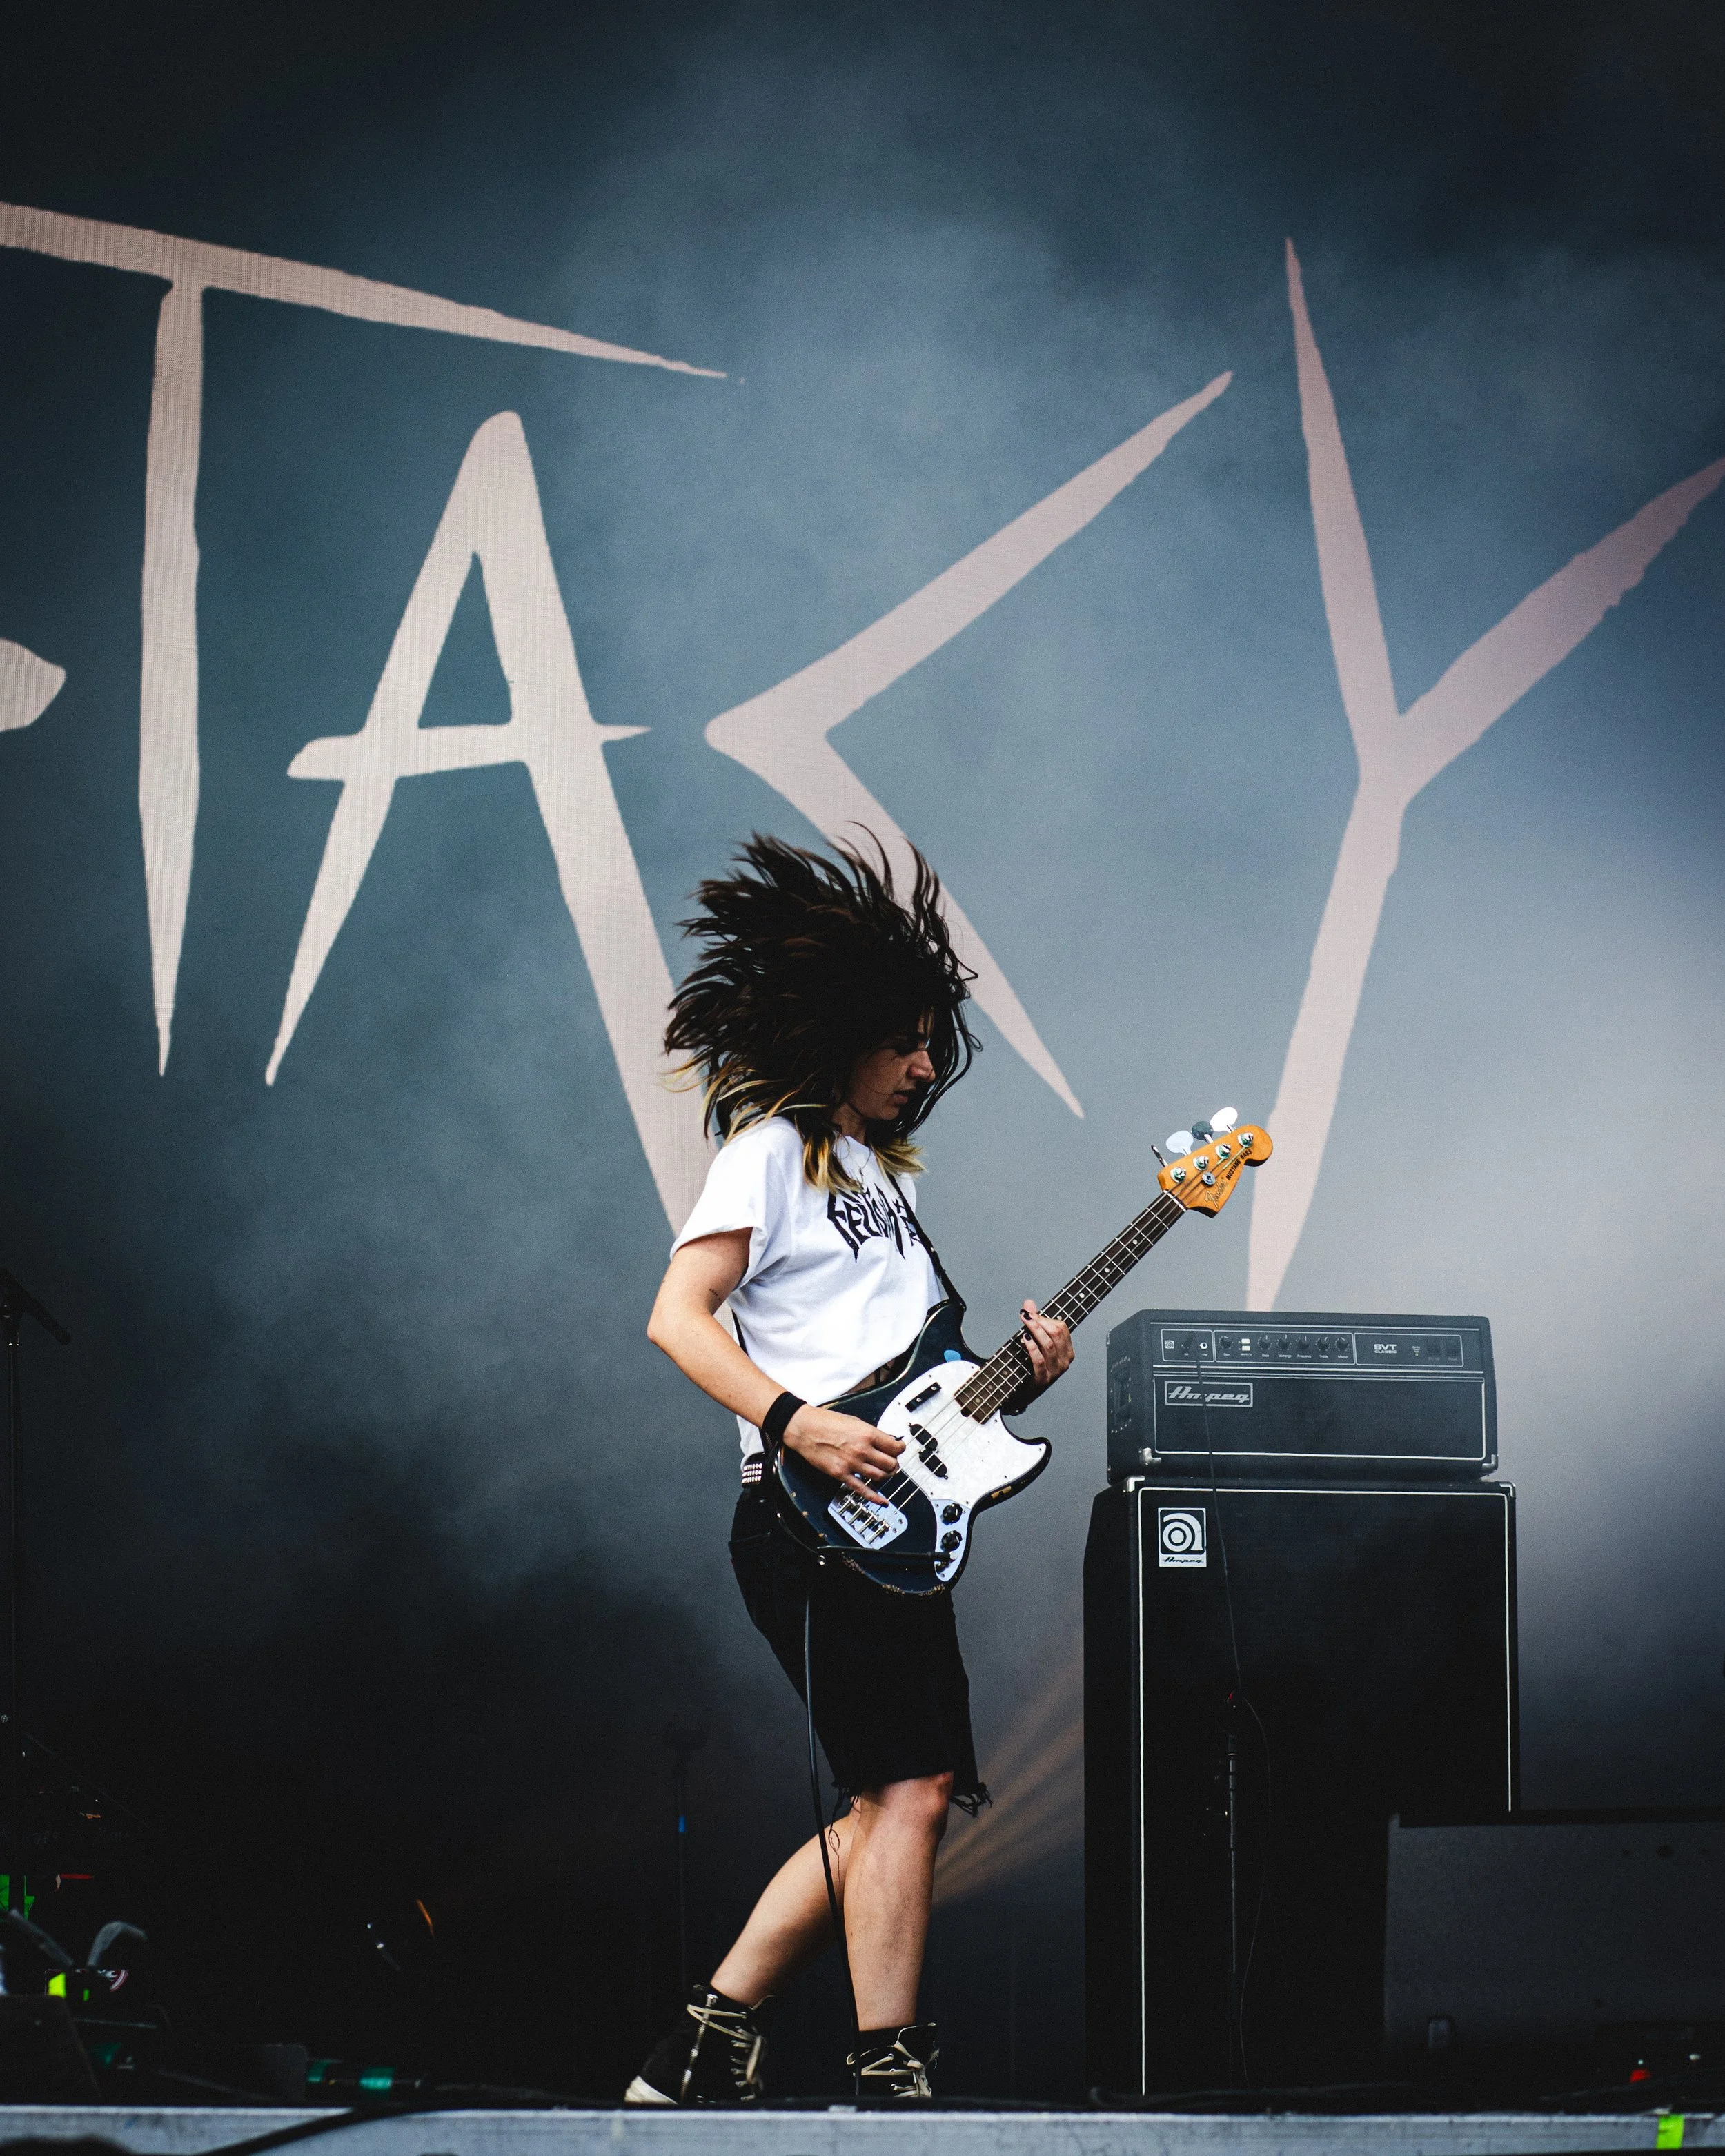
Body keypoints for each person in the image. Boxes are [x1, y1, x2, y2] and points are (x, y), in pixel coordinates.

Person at [623, 834, 1073, 2108]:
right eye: (908, 1040)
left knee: (903, 1802)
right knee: (910, 1791)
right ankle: (887, 2073)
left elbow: (920, 1376)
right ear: (845, 1036)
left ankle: (706, 2043)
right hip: (809, 1515)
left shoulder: (886, 1186)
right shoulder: (771, 1149)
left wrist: (1019, 1378)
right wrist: (793, 1421)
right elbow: (676, 1317)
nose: (930, 1064)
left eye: (936, 1042)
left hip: (896, 1519)